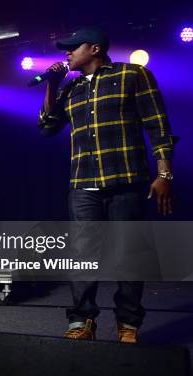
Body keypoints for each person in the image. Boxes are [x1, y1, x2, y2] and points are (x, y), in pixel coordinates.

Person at [39, 27, 177, 343]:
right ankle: (82, 321)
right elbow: (46, 127)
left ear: (96, 49)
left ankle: (128, 323)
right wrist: (51, 84)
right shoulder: (69, 89)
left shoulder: (134, 75)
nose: (67, 53)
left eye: (74, 47)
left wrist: (164, 173)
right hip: (83, 184)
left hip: (126, 180)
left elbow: (158, 126)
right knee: (83, 255)